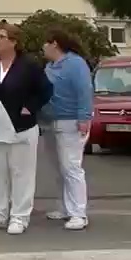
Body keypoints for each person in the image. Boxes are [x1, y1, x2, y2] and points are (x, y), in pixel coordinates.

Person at [0, 23, 53, 235]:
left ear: (14, 42)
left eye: (1, 36)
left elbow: (45, 90)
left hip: (20, 128)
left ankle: (19, 216)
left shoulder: (29, 65)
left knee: (21, 173)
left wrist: (30, 107)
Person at [41, 29, 94, 231]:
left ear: (54, 44)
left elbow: (84, 91)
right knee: (59, 168)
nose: (42, 48)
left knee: (71, 167)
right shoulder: (50, 66)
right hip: (50, 122)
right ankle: (64, 206)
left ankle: (79, 213)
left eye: (45, 43)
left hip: (71, 121)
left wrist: (84, 117)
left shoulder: (76, 64)